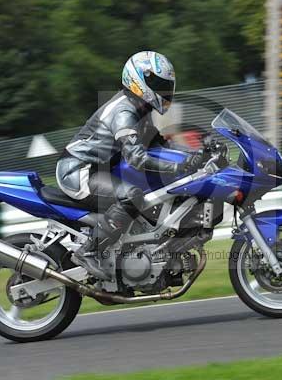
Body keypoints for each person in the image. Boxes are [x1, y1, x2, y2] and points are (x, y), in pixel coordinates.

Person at [56, 51, 202, 265]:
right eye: (159, 84)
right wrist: (176, 168)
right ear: (138, 80)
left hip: (101, 169)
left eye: (166, 86)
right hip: (79, 171)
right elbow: (137, 158)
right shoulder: (125, 111)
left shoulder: (140, 108)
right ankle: (89, 253)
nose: (165, 91)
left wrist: (195, 155)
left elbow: (157, 145)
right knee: (131, 196)